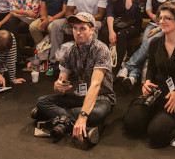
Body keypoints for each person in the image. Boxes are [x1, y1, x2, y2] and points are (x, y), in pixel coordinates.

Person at [123, 0, 175, 146]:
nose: (162, 21)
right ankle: (156, 116)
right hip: (157, 92)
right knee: (131, 124)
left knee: (157, 134)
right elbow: (151, 69)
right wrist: (147, 81)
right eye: (160, 18)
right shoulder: (155, 43)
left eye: (167, 18)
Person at [33, 12, 115, 147]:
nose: (77, 32)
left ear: (91, 31)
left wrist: (83, 115)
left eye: (82, 28)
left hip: (102, 98)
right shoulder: (70, 51)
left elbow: (95, 85)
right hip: (81, 96)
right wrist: (58, 86)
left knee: (96, 114)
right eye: (75, 28)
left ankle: (56, 118)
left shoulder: (101, 49)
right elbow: (60, 84)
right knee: (42, 101)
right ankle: (76, 124)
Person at [117, 0, 175, 89]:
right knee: (147, 47)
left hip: (168, 27)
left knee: (149, 43)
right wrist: (152, 15)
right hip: (153, 22)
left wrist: (159, 28)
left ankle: (127, 67)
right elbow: (148, 7)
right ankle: (133, 76)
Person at [48, 0, 108, 66]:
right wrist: (71, 19)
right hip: (77, 20)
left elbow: (100, 15)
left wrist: (83, 20)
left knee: (92, 28)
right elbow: (69, 11)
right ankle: (56, 60)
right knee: (56, 24)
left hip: (94, 21)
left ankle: (88, 62)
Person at [99, 0, 142, 75]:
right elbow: (110, 12)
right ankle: (104, 63)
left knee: (121, 36)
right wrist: (111, 31)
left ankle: (117, 68)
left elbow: (130, 12)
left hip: (132, 24)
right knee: (104, 32)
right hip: (117, 22)